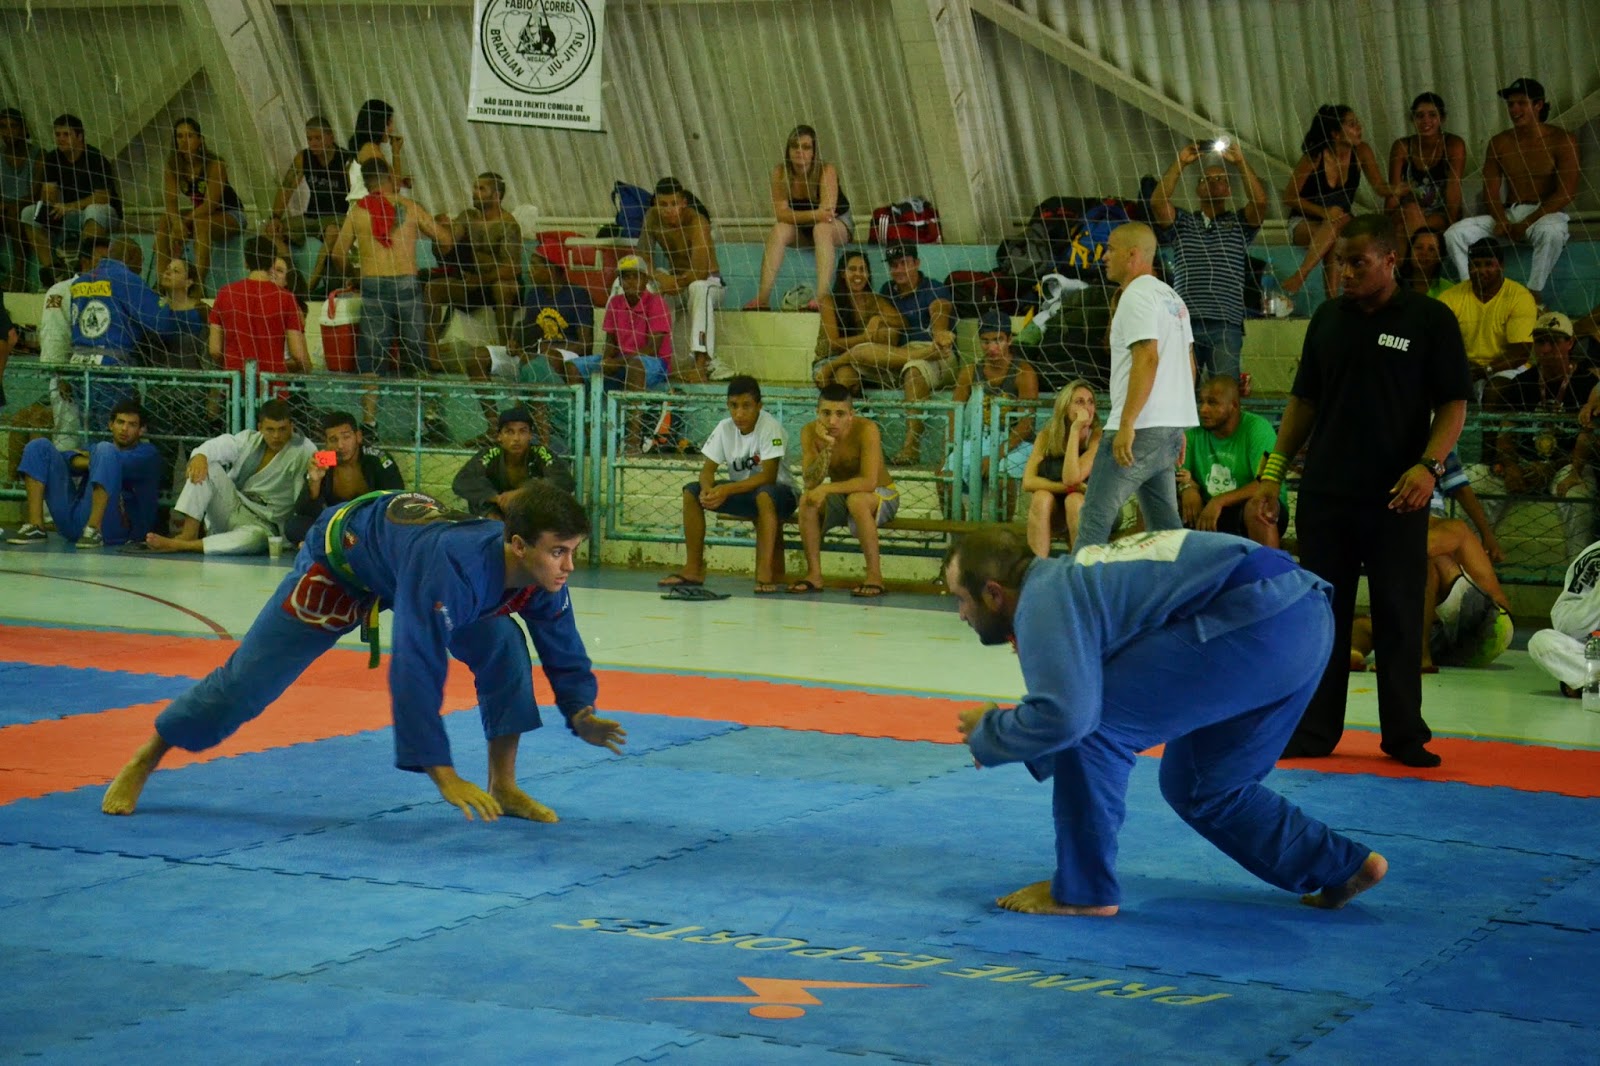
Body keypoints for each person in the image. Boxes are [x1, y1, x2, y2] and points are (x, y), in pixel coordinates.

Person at [102, 482, 627, 821]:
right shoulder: (456, 569)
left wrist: (580, 710)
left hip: (405, 562)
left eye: (572, 551)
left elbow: (562, 646)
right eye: (558, 552)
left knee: (505, 644)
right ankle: (150, 754)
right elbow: (416, 668)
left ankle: (504, 785)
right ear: (518, 545)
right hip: (344, 565)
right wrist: (441, 771)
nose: (568, 566)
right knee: (248, 683)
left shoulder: (541, 574)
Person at [946, 527, 1386, 916]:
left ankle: (1083, 890)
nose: (961, 614)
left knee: (1094, 731)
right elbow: (1086, 697)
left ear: (993, 593)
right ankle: (1340, 866)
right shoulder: (1073, 580)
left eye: (960, 599)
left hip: (1255, 617)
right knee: (1202, 786)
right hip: (1304, 616)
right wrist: (1017, 740)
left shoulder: (1042, 599)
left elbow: (1070, 718)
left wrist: (991, 732)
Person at [1249, 214, 1471, 768]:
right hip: (1326, 494)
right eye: (1340, 263)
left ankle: (1404, 736)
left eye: (1358, 263)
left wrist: (1429, 467)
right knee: (1322, 615)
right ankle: (1314, 731)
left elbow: (1453, 404)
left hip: (1398, 496)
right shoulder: (1327, 319)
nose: (1345, 273)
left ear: (1390, 260)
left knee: (1399, 614)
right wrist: (1273, 473)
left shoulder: (1429, 319)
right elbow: (1303, 401)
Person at [1074, 222, 1197, 548]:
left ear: (1132, 255)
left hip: (1139, 426)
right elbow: (1188, 364)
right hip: (1165, 428)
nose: (1104, 256)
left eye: (1111, 249)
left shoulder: (1135, 296)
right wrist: (1177, 423)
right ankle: (1180, 581)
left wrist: (1127, 422)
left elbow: (1147, 357)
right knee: (1164, 529)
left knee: (1094, 520)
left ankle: (1079, 583)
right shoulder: (1173, 298)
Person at [329, 157, 452, 429]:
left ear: (366, 182)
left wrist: (354, 275)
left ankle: (369, 424)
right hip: (407, 284)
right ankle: (428, 420)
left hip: (373, 285)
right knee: (416, 353)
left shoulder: (357, 212)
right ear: (390, 178)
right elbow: (445, 239)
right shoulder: (409, 207)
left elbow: (337, 253)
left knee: (372, 360)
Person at [1467, 311, 1597, 565]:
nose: (1546, 349)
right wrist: (1511, 466)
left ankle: (1577, 576)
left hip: (1568, 465)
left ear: (1570, 343)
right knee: (1474, 480)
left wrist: (1551, 467)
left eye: (1554, 341)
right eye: (1540, 342)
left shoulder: (1587, 383)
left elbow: (1590, 444)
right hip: (1524, 465)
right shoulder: (1522, 382)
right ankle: (1471, 568)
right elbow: (1505, 433)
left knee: (1579, 496)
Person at [658, 375, 797, 594]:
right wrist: (707, 490)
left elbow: (768, 477)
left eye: (746, 406)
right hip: (744, 492)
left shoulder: (770, 427)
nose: (739, 413)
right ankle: (693, 569)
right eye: (734, 406)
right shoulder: (724, 428)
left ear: (759, 406)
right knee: (691, 492)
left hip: (781, 495)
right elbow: (707, 470)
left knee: (764, 494)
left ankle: (765, 572)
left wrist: (726, 489)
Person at [1444, 78, 1580, 302]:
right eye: (1510, 104)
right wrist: (1501, 219)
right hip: (1510, 214)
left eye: (1521, 103)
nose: (1514, 110)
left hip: (1545, 215)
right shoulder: (1500, 142)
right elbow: (1490, 190)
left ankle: (1533, 293)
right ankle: (1470, 290)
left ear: (1538, 105)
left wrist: (1526, 223)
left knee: (1552, 232)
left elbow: (1567, 192)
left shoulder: (1562, 139)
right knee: (1454, 234)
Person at [819, 243, 957, 464]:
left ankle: (911, 448)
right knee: (847, 373)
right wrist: (879, 320)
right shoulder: (887, 291)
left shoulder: (933, 288)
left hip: (937, 352)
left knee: (913, 370)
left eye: (904, 263)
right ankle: (851, 447)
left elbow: (940, 311)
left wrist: (939, 334)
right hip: (895, 357)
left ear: (916, 263)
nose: (899, 270)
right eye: (894, 265)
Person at [1149, 138, 1270, 381]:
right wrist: (1181, 162)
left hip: (1226, 324)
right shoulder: (1183, 222)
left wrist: (1240, 162)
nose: (1214, 183)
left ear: (1229, 190)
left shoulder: (1239, 224)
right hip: (1183, 323)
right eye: (1206, 179)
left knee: (1224, 392)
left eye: (1221, 179)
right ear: (1197, 190)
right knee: (1181, 391)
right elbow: (1157, 202)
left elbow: (1260, 202)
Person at [147, 399, 319, 555]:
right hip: (234, 505)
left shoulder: (304, 450)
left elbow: (305, 494)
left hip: (264, 524)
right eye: (270, 429)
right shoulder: (249, 439)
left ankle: (184, 546)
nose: (276, 436)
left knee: (253, 540)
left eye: (282, 429)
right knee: (206, 465)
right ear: (260, 427)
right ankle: (188, 534)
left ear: (291, 426)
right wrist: (200, 455)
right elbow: (220, 445)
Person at [1280, 105, 1404, 299]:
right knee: (1337, 227)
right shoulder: (1315, 156)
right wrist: (1324, 212)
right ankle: (1309, 281)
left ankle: (1330, 299)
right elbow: (1289, 197)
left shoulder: (1362, 151)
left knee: (1339, 230)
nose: (1359, 128)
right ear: (1335, 134)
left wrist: (1397, 189)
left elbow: (1379, 187)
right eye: (1352, 124)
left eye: (1358, 123)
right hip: (1305, 222)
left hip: (1341, 222)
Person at [790, 383, 899, 598]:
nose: (832, 421)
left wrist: (827, 488)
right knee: (807, 501)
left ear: (851, 415)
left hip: (880, 494)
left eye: (840, 414)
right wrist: (827, 446)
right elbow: (810, 482)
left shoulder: (867, 430)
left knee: (857, 500)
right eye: (826, 413)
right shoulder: (809, 432)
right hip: (843, 495)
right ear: (817, 413)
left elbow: (868, 482)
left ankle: (875, 577)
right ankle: (814, 575)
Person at [6, 399, 161, 548]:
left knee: (105, 450)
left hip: (115, 528)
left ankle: (94, 529)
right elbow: (65, 459)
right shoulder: (97, 449)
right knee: (38, 447)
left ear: (141, 430)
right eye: (120, 422)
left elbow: (116, 462)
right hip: (75, 521)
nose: (124, 429)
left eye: (132, 425)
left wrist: (95, 458)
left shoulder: (148, 454)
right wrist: (95, 461)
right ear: (111, 425)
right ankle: (36, 526)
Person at [943, 311, 1040, 517]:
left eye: (998, 340)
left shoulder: (1024, 373)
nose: (992, 347)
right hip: (980, 439)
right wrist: (952, 449)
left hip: (1017, 443)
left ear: (1009, 339)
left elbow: (1026, 425)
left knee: (1002, 478)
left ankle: (1002, 534)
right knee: (944, 477)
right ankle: (958, 533)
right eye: (986, 341)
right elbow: (954, 412)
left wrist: (996, 455)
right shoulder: (970, 371)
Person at [747, 125, 851, 311]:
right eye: (794, 146)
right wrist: (814, 214)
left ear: (814, 152)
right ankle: (762, 298)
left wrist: (799, 216)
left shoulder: (826, 170)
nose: (799, 151)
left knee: (821, 228)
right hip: (803, 228)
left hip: (837, 225)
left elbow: (827, 215)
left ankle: (822, 297)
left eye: (806, 147)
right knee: (779, 229)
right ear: (788, 150)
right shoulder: (781, 173)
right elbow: (781, 215)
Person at [426, 171, 522, 367]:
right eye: (474, 188)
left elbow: (512, 268)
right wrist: (440, 230)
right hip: (473, 283)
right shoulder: (468, 217)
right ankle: (431, 356)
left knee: (502, 287)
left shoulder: (508, 225)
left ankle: (505, 353)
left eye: (481, 189)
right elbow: (448, 242)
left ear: (496, 196)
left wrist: (479, 280)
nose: (474, 192)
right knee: (432, 289)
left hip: (496, 284)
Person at [1177, 375, 1286, 548]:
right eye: (1201, 402)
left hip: (1249, 509)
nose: (1203, 409)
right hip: (1207, 510)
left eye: (1212, 403)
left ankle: (1269, 564)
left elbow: (1266, 483)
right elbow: (1180, 475)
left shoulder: (1257, 429)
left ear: (1233, 406)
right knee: (1158, 501)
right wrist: (1188, 488)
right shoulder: (1193, 431)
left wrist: (1219, 501)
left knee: (1259, 507)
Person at [638, 177, 726, 381]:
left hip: (710, 284)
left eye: (674, 204)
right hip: (675, 282)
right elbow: (642, 257)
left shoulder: (697, 222)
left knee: (699, 287)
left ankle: (701, 365)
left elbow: (700, 271)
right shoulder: (652, 217)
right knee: (643, 287)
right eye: (663, 204)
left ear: (683, 203)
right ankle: (646, 359)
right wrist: (661, 277)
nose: (669, 210)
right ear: (655, 204)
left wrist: (673, 282)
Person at [21, 114, 121, 284]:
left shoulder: (95, 158)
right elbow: (49, 194)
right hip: (67, 212)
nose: (61, 139)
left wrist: (69, 207)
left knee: (93, 211)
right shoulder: (53, 158)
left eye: (66, 134)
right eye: (57, 134)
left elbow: (103, 197)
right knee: (28, 214)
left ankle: (84, 271)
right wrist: (49, 195)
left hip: (103, 214)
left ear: (80, 136)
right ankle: (53, 271)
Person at [285, 410, 404, 546]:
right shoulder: (323, 462)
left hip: (371, 523)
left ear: (358, 437)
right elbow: (303, 511)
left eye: (346, 437)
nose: (340, 446)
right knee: (294, 526)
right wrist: (314, 482)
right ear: (326, 443)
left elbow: (395, 498)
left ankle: (327, 544)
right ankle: (340, 543)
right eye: (333, 440)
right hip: (336, 524)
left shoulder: (377, 458)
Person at [154, 118, 246, 289]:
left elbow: (210, 204)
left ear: (200, 140)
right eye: (180, 136)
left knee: (201, 224)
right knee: (166, 220)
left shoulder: (215, 165)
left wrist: (184, 222)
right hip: (199, 215)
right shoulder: (173, 167)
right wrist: (176, 224)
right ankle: (162, 283)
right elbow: (171, 202)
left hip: (230, 214)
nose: (184, 140)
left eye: (189, 136)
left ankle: (197, 285)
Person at [266, 115, 352, 296]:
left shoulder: (346, 160)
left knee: (332, 232)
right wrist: (275, 218)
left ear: (330, 137)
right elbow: (287, 188)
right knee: (271, 231)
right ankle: (292, 279)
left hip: (338, 217)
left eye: (318, 138)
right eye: (309, 139)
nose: (313, 143)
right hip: (312, 216)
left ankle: (308, 288)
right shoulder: (303, 158)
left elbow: (356, 196)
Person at [1438, 237, 1537, 392]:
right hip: (1464, 366)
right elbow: (1440, 344)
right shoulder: (1449, 297)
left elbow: (1520, 353)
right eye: (1476, 265)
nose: (1481, 271)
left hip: (1507, 367)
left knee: (1495, 391)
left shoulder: (1520, 297)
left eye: (1488, 264)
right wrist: (1462, 366)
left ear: (1501, 266)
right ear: (1468, 267)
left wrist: (1485, 370)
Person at [1021, 380, 1102, 557]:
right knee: (1041, 497)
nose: (1087, 408)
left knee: (1074, 500)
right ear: (1065, 407)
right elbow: (1028, 482)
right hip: (1057, 512)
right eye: (1079, 402)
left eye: (1090, 402)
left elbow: (1072, 477)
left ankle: (1081, 569)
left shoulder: (1097, 437)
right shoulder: (1046, 436)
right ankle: (1038, 568)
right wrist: (1068, 488)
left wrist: (1075, 431)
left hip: (1094, 510)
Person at [209, 235, 310, 377]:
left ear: (245, 262)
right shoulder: (286, 298)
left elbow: (214, 350)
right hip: (271, 382)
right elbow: (298, 355)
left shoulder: (225, 293)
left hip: (235, 381)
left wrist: (230, 365)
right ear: (272, 263)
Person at [452, 406, 575, 519]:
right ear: (499, 436)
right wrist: (498, 498)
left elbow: (565, 481)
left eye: (522, 431)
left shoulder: (540, 453)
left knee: (552, 498)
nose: (516, 438)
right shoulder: (489, 454)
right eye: (509, 432)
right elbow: (462, 481)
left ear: (530, 435)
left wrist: (522, 493)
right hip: (498, 510)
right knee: (478, 498)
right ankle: (495, 528)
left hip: (531, 511)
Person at [811, 248, 898, 384]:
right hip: (830, 359)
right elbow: (834, 344)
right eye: (852, 269)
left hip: (863, 360)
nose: (858, 274)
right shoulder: (829, 301)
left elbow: (903, 322)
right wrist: (865, 338)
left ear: (868, 274)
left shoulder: (875, 300)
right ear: (843, 274)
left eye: (862, 269)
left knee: (889, 334)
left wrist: (879, 319)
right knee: (846, 376)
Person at [1387, 92, 1466, 239]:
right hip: (1408, 211)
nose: (1426, 121)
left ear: (1442, 118)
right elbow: (1394, 192)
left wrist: (1452, 226)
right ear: (1413, 119)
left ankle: (1413, 250)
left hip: (1440, 212)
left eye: (1432, 115)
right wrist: (1387, 220)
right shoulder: (1402, 146)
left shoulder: (1453, 144)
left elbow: (1454, 188)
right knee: (1408, 213)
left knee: (1412, 227)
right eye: (1420, 116)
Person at [1527, 538, 1600, 697]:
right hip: (1594, 651)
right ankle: (1590, 680)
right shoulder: (1593, 558)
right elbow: (1565, 627)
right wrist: (1597, 598)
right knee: (1541, 642)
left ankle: (1587, 684)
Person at [0, 107, 39, 291]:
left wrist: (9, 205)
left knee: (16, 212)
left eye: (13, 126)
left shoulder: (38, 154)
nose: (8, 132)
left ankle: (19, 272)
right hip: (4, 210)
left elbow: (35, 194)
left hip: (28, 208)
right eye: (3, 127)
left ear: (23, 129)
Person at [343, 99, 405, 202]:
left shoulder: (362, 147)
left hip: (363, 205)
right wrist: (396, 152)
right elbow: (395, 186)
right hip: (368, 207)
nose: (392, 129)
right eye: (389, 123)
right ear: (378, 124)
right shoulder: (371, 150)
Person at [1399, 226, 1449, 298]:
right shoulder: (1394, 284)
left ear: (1440, 256)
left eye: (1431, 249)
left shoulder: (1448, 289)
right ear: (1410, 251)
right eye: (1419, 247)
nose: (1424, 253)